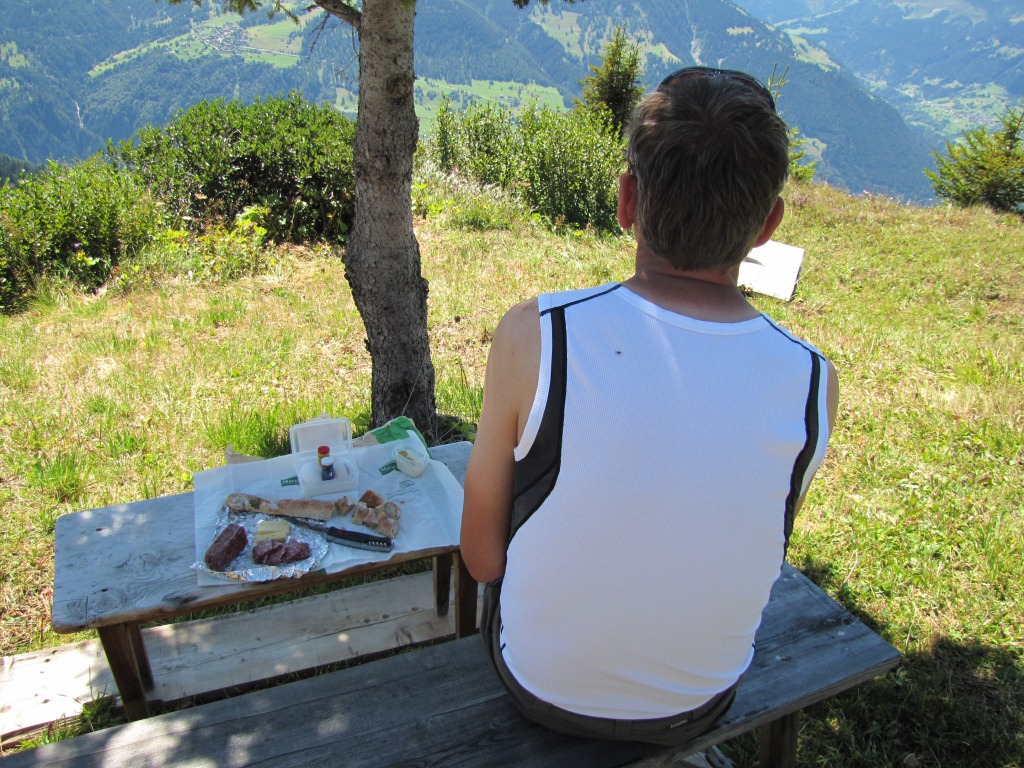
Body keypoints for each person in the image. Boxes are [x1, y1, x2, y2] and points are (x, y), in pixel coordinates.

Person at [460, 66, 839, 748]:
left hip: (540, 687)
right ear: (768, 225)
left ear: (626, 200)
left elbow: (483, 559)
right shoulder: (811, 381)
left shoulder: (539, 332)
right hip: (698, 699)